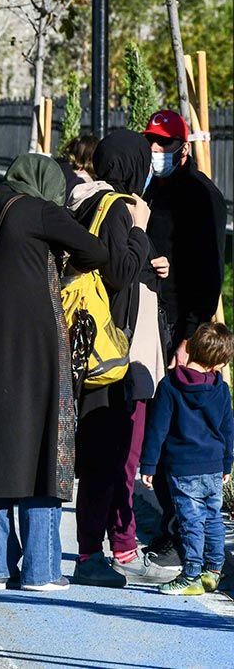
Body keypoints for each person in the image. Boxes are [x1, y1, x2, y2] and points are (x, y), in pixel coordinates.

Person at [0, 154, 109, 593]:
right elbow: (95, 251)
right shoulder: (41, 211)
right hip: (39, 347)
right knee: (44, 445)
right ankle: (41, 569)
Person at [68, 130, 176, 588]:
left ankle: (104, 547)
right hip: (114, 350)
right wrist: (139, 229)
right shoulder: (117, 207)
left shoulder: (84, 199)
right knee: (110, 456)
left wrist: (152, 262)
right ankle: (99, 552)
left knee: (103, 453)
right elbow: (118, 270)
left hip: (94, 344)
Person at [141, 110, 229, 569]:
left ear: (183, 147)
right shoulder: (153, 189)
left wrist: (192, 338)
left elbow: (210, 273)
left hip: (181, 328)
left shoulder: (201, 196)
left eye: (164, 144)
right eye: (152, 143)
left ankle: (180, 538)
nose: (156, 152)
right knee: (160, 426)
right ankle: (172, 529)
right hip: (154, 319)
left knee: (179, 434)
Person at [139, 323, 234, 595]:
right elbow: (228, 429)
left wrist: (149, 464)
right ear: (221, 360)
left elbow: (158, 429)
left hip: (183, 467)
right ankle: (213, 571)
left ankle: (191, 574)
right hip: (214, 466)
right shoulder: (221, 389)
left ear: (189, 348)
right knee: (213, 518)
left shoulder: (170, 386)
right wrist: (227, 463)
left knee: (190, 522)